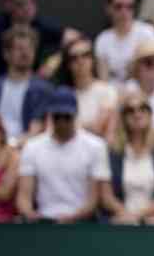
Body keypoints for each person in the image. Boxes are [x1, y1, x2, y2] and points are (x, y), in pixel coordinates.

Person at [15, 88, 109, 223]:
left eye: (67, 117)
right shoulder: (32, 147)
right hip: (43, 221)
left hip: (82, 223)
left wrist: (73, 217)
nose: (62, 122)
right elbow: (24, 196)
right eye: (57, 116)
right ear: (50, 115)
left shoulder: (96, 146)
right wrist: (31, 214)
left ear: (75, 115)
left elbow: (93, 200)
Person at [99, 94, 154, 225]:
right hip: (121, 218)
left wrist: (140, 216)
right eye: (130, 110)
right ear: (123, 118)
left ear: (150, 114)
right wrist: (127, 215)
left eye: (143, 108)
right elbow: (107, 197)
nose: (137, 114)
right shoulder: (110, 151)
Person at [0, 0, 70, 78]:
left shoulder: (42, 26)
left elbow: (76, 39)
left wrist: (51, 64)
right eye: (21, 3)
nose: (28, 7)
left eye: (32, 1)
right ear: (7, 4)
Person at [95, 0, 154, 85]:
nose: (124, 12)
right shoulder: (103, 40)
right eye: (118, 6)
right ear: (108, 8)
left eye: (130, 6)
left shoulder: (147, 32)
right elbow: (103, 80)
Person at [54, 36, 118, 139]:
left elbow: (98, 127)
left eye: (85, 55)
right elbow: (53, 129)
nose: (80, 61)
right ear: (68, 64)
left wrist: (69, 127)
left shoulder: (107, 91)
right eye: (74, 58)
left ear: (92, 59)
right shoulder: (62, 94)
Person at [0, 26, 52, 144]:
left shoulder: (43, 89)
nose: (25, 53)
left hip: (25, 150)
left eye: (29, 49)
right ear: (6, 54)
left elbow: (35, 132)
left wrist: (11, 146)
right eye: (19, 48)